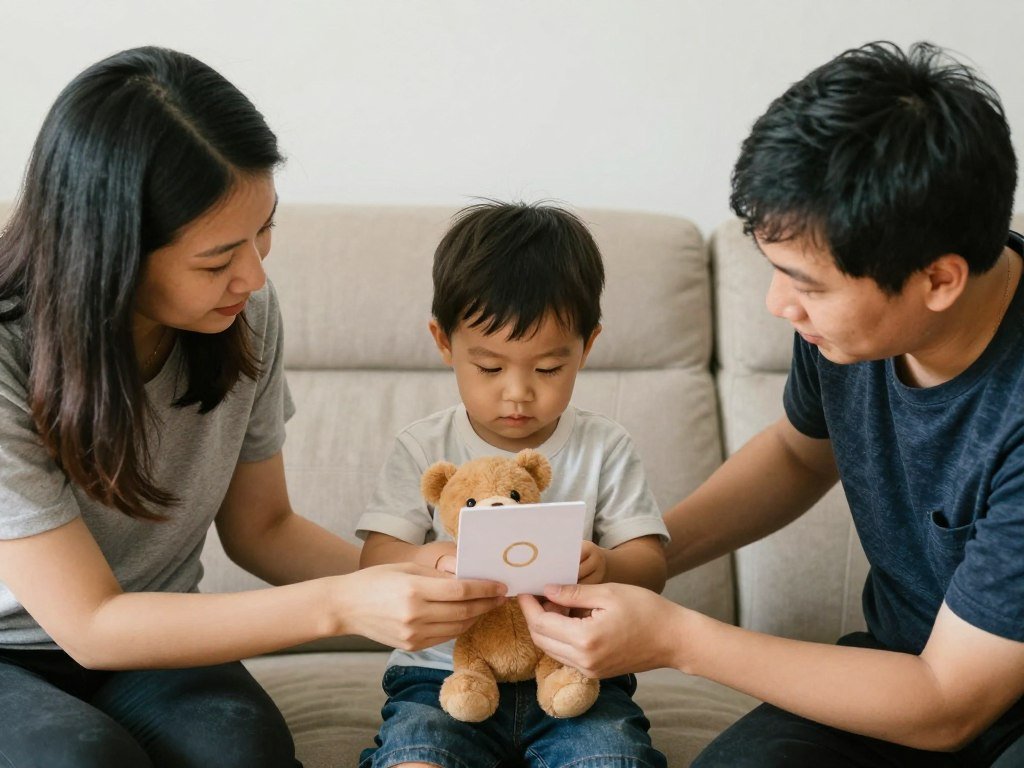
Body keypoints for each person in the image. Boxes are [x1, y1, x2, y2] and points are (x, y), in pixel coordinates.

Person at [518, 40, 1024, 766]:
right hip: (897, 671)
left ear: (939, 281)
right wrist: (645, 556)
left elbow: (948, 702)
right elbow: (796, 454)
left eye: (807, 284)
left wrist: (674, 637)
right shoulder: (848, 330)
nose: (778, 303)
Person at [0, 47, 508, 768]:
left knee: (243, 751)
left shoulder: (245, 313)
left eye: (264, 230)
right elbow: (89, 623)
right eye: (216, 259)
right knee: (80, 760)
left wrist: (413, 576)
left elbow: (262, 529)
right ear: (109, 249)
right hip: (14, 654)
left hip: (158, 636)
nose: (253, 274)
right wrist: (343, 604)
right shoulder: (6, 351)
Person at [356, 201, 670, 768]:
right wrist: (436, 562)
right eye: (491, 368)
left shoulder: (606, 446)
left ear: (587, 347)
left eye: (548, 369)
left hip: (579, 670)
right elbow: (375, 558)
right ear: (444, 342)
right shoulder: (423, 446)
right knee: (418, 755)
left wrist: (606, 567)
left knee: (611, 759)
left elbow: (649, 565)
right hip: (441, 674)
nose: (519, 393)